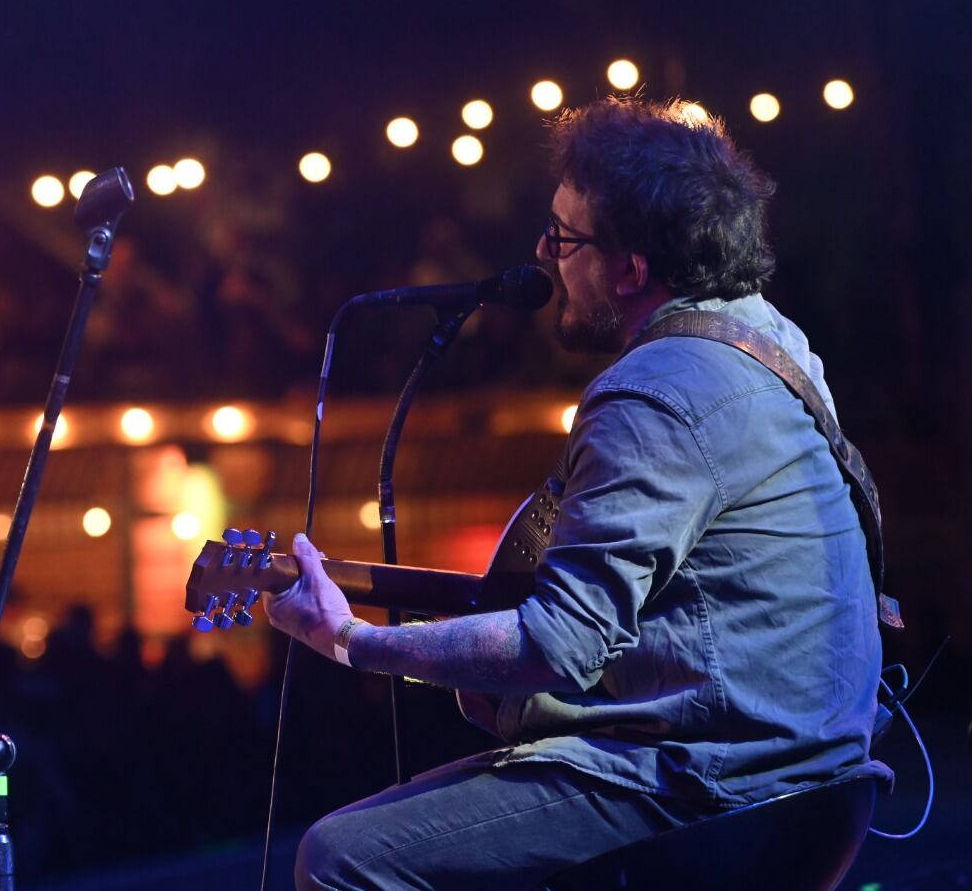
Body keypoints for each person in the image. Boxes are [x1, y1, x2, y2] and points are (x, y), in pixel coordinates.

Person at [265, 97, 891, 890]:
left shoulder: (654, 393)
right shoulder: (770, 339)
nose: (542, 252)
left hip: (716, 784)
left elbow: (556, 648)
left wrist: (354, 639)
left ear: (630, 268)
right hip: (823, 774)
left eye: (563, 237)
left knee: (341, 855)